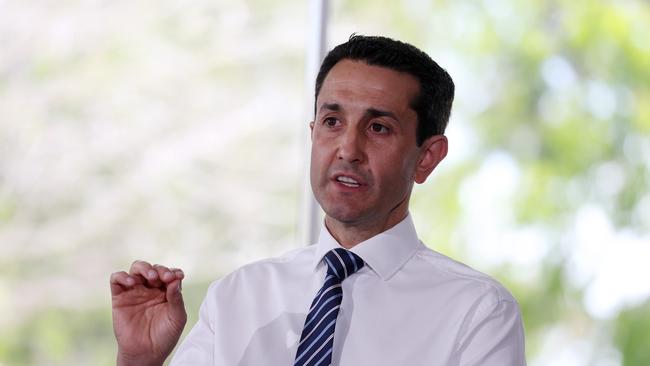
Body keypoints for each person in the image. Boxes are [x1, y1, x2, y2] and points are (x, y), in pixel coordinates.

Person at [110, 35, 526, 366]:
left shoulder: (477, 312)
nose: (348, 148)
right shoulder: (238, 296)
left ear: (427, 157)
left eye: (378, 127)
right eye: (332, 121)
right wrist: (139, 361)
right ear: (313, 133)